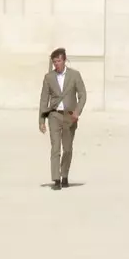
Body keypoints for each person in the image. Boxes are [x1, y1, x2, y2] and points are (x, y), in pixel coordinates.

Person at [37, 47, 86, 188]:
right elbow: (43, 99)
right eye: (54, 62)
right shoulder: (49, 77)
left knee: (68, 148)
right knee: (55, 147)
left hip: (70, 116)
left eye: (58, 61)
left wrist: (77, 112)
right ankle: (56, 179)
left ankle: (64, 175)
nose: (56, 64)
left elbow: (82, 95)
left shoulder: (75, 75)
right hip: (54, 115)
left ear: (64, 60)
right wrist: (41, 120)